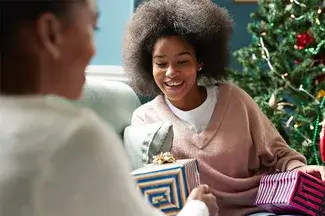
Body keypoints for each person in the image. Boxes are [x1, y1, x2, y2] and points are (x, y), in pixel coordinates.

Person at [0, 0, 217, 216]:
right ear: (50, 32)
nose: (93, 50)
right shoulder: (76, 136)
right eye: (92, 28)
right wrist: (199, 207)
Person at [122, 0, 325, 215]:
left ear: (199, 62)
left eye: (182, 62)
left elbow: (279, 154)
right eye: (161, 63)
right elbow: (150, 190)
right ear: (148, 65)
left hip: (256, 210)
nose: (171, 72)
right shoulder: (145, 119)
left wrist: (301, 169)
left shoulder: (234, 99)